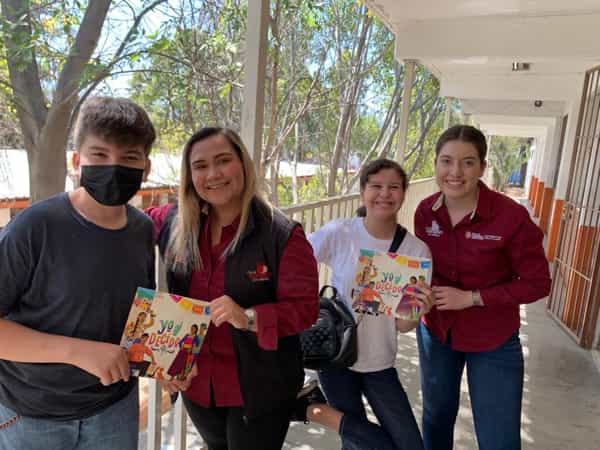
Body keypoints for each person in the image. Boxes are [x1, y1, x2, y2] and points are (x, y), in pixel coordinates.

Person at [145, 127, 319, 450]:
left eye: (223, 160)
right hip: (197, 383)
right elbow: (124, 221)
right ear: (189, 175)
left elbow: (306, 309)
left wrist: (250, 317)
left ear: (243, 165)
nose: (212, 174)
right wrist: (162, 356)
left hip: (258, 389)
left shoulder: (281, 234)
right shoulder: (174, 223)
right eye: (200, 166)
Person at [0, 97, 156, 449]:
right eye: (99, 155)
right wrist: (79, 352)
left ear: (146, 168)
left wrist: (167, 363)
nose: (113, 166)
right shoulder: (33, 227)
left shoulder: (143, 230)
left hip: (114, 408)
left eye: (129, 157)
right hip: (31, 414)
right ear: (76, 161)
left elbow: (137, 316)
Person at [414, 125, 552, 450]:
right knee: (435, 420)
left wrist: (473, 298)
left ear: (482, 167)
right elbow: (419, 268)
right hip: (437, 332)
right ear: (435, 164)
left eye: (468, 162)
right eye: (446, 161)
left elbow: (538, 283)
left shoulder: (510, 217)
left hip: (493, 338)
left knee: (498, 438)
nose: (455, 172)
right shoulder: (425, 212)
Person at [304, 158, 434, 450]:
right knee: (357, 445)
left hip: (379, 360)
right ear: (362, 191)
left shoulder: (416, 250)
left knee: (409, 444)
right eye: (376, 186)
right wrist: (303, 302)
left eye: (393, 187)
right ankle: (313, 409)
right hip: (336, 355)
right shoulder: (340, 233)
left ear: (403, 193)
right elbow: (296, 260)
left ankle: (314, 410)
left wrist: (418, 310)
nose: (384, 194)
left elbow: (403, 326)